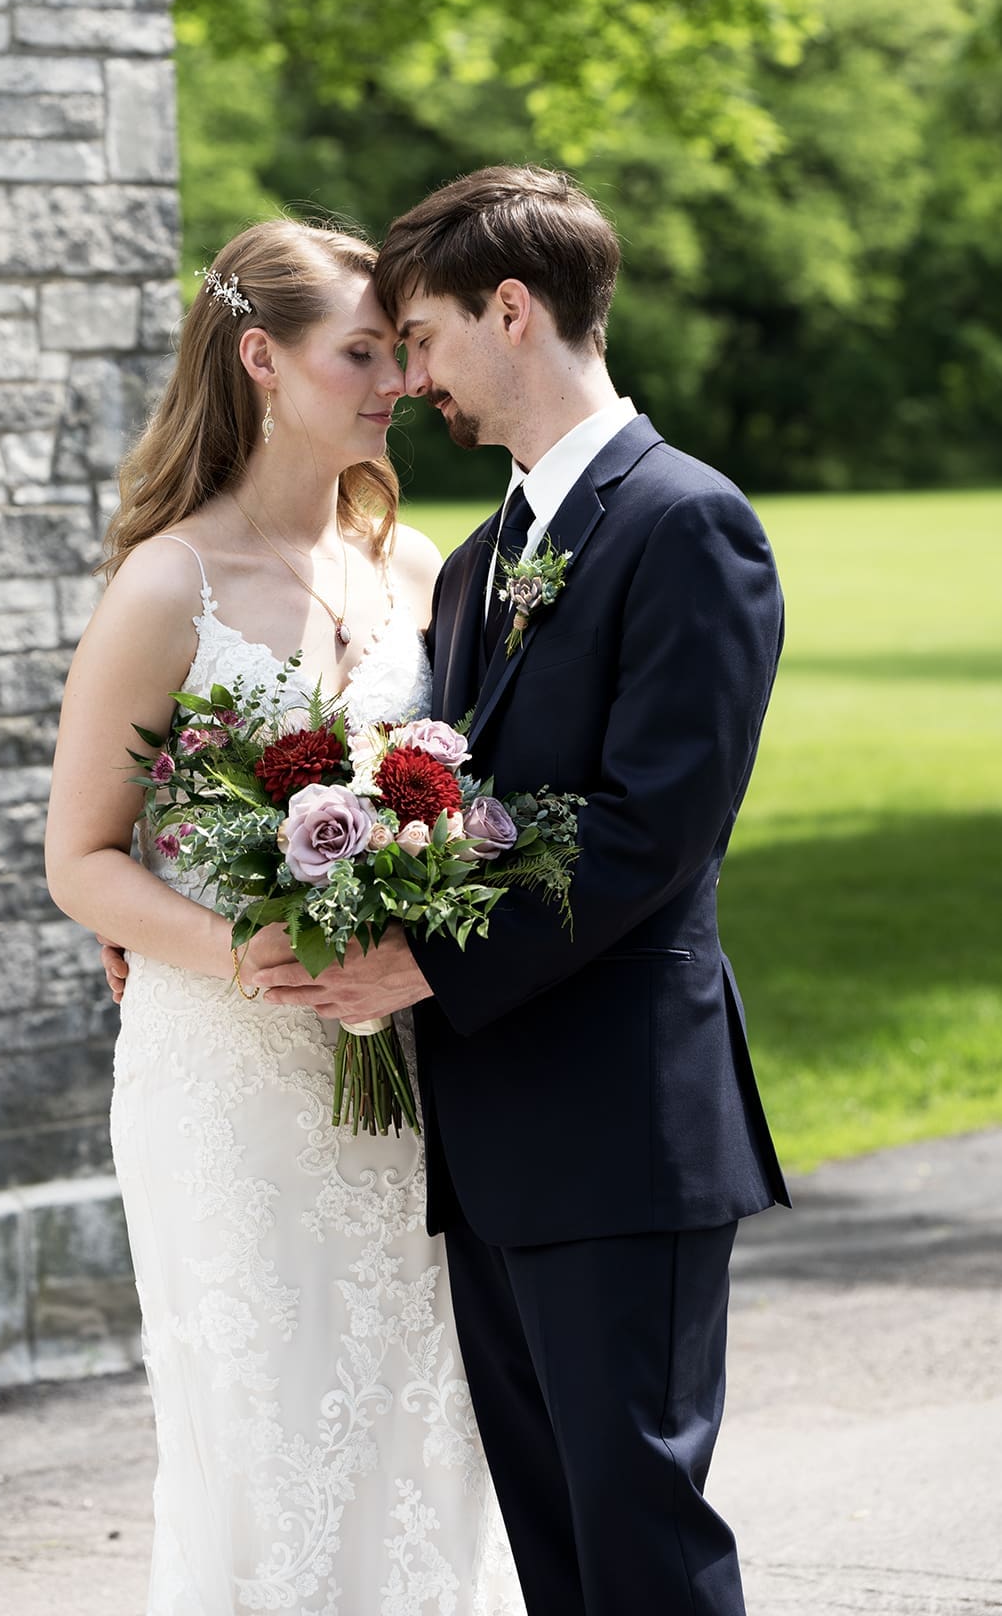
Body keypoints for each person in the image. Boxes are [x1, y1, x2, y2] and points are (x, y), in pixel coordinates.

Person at [238, 167, 790, 1616]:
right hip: (487, 1131)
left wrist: (426, 970)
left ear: (510, 307)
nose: (409, 376)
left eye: (419, 337)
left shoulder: (686, 524)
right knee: (555, 1536)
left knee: (637, 1527)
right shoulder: (484, 558)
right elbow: (456, 807)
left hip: (621, 1126)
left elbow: (651, 830)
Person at [46, 217, 524, 1614]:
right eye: (362, 352)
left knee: (416, 1416)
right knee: (263, 1431)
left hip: (399, 1078)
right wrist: (242, 952)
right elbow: (81, 857)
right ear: (261, 357)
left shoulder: (419, 569)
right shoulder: (167, 584)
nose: (398, 381)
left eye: (400, 350)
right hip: (225, 1080)